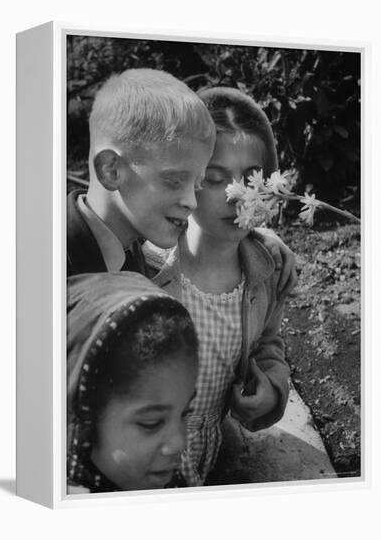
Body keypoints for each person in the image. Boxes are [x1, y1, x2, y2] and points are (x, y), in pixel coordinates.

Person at [143, 87, 292, 486]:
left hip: (210, 454)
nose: (235, 195)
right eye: (214, 177)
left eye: (250, 179)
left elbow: (267, 344)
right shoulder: (144, 267)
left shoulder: (267, 270)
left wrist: (273, 390)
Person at [67, 68, 296, 290]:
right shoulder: (50, 263)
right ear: (111, 170)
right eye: (174, 181)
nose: (192, 202)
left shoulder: (135, 250)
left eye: (198, 184)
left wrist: (259, 238)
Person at [67, 272, 199, 493]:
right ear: (85, 418)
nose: (179, 444)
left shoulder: (175, 482)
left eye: (185, 414)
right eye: (151, 423)